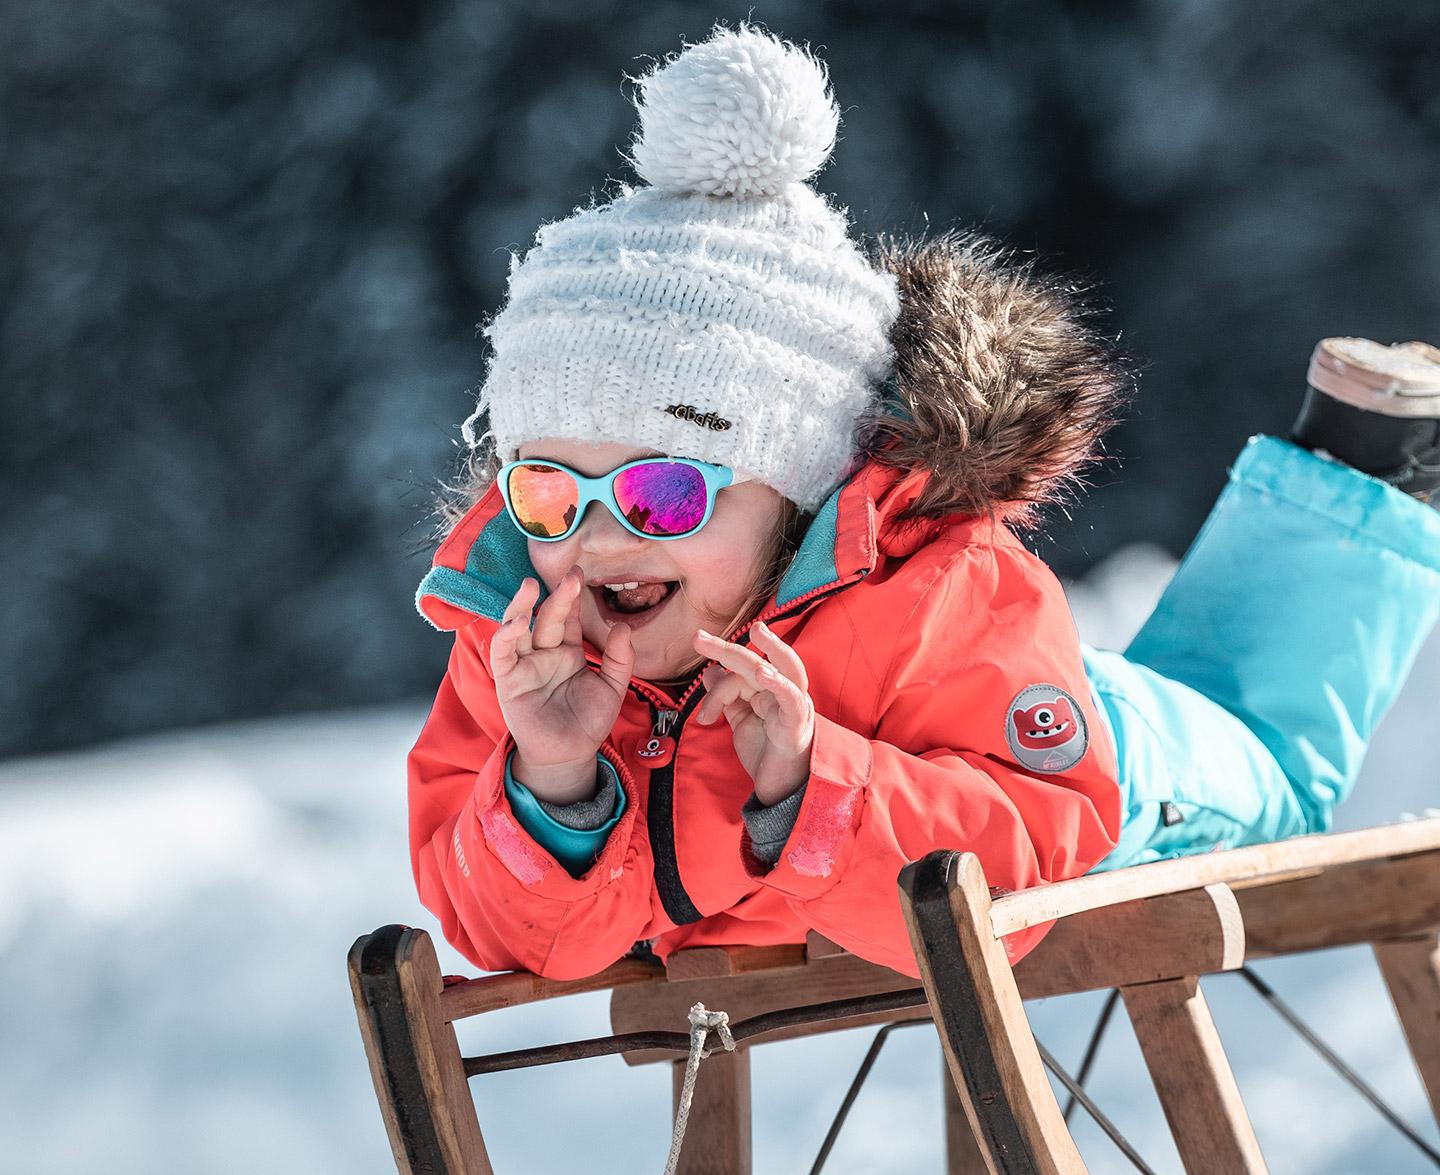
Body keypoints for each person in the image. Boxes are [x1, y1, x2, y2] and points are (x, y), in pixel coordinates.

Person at [407, 23, 1440, 980]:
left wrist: (815, 785)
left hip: (1102, 765)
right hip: (939, 781)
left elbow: (1032, 859)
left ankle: (1361, 467)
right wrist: (551, 779)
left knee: (1274, 778)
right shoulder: (516, 653)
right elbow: (510, 934)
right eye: (547, 493)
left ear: (803, 486)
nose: (595, 540)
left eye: (665, 491)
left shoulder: (943, 586)